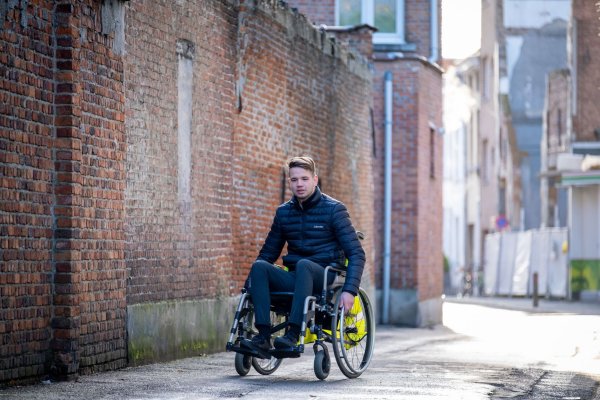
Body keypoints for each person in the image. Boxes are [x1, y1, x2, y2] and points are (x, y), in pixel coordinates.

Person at [241, 156, 365, 353]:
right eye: (294, 179)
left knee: (304, 264)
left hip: (327, 277)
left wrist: (350, 290)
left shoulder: (334, 210)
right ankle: (263, 337)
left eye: (304, 179)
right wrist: (250, 283)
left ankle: (293, 334)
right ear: (290, 182)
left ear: (315, 180)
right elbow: (268, 253)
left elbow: (357, 253)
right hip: (297, 275)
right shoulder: (283, 213)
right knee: (260, 266)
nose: (299, 184)